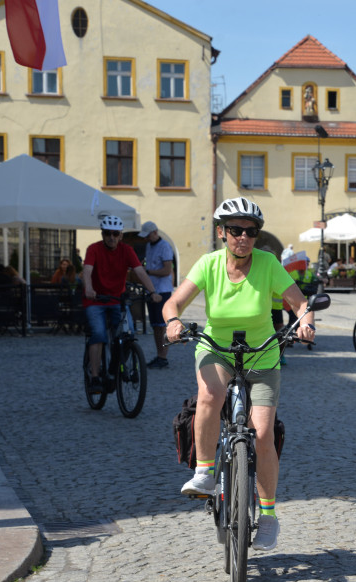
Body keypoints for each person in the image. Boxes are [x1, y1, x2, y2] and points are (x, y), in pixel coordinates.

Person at [163, 197, 316, 551]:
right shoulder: (209, 264)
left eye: (250, 231)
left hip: (262, 353)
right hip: (216, 348)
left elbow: (301, 302)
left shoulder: (268, 264)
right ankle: (203, 472)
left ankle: (269, 516)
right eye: (235, 230)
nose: (243, 237)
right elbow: (173, 303)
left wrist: (305, 322)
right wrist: (173, 322)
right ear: (222, 232)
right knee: (210, 395)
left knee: (262, 435)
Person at [83, 215, 162, 392]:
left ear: (121, 236)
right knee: (98, 334)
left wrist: (153, 292)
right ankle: (95, 377)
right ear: (102, 234)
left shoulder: (126, 250)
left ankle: (114, 368)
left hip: (117, 300)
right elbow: (87, 271)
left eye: (115, 234)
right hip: (95, 300)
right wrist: (88, 288)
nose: (111, 237)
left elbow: (140, 272)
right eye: (107, 234)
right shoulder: (93, 249)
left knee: (128, 335)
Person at [139, 221, 175, 369]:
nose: (146, 239)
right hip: (152, 289)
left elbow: (167, 270)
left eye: (148, 235)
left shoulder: (165, 246)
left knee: (162, 326)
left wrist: (147, 272)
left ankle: (163, 356)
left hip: (163, 290)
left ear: (154, 232)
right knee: (155, 326)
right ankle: (159, 354)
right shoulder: (149, 245)